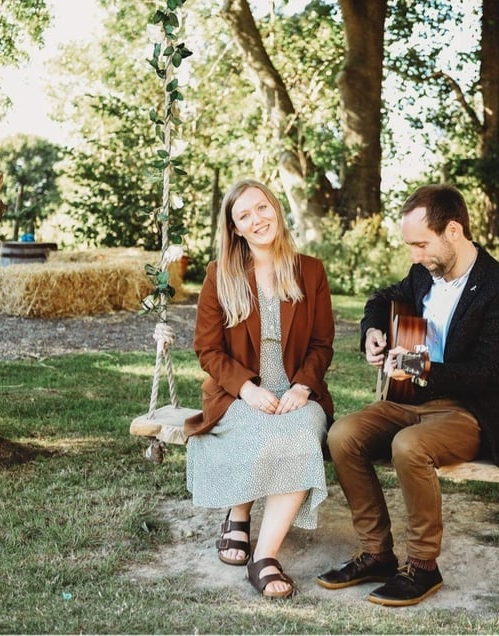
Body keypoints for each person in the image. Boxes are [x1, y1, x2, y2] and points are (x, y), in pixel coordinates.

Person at [316, 184, 499, 606]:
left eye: (420, 244)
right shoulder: (423, 275)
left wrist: (416, 366)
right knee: (342, 435)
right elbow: (381, 300)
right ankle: (376, 552)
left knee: (409, 446)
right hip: (406, 401)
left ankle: (423, 566)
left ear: (453, 230)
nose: (415, 255)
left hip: (469, 412)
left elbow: (487, 374)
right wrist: (372, 333)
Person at [185, 178, 335, 600]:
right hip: (238, 393)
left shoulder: (310, 271)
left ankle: (263, 555)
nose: (257, 220)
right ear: (234, 228)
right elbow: (208, 349)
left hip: (298, 393)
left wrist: (304, 387)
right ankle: (239, 511)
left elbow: (323, 345)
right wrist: (246, 389)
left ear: (276, 208)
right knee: (257, 428)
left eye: (262, 208)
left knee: (301, 432)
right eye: (244, 216)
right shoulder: (221, 275)